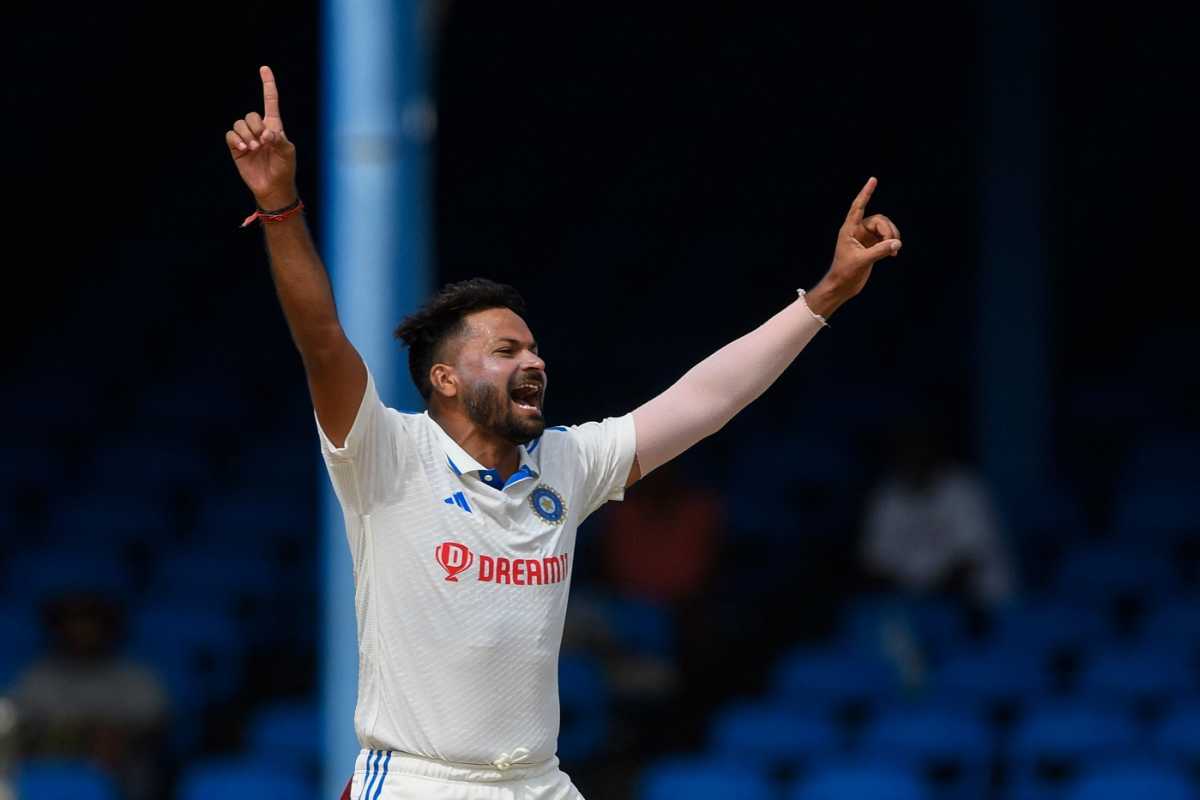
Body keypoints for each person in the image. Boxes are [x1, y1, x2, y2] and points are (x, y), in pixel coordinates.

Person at [226, 65, 902, 800]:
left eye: (536, 349)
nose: (535, 362)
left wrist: (828, 293)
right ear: (445, 380)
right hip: (420, 782)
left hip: (538, 783)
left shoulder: (566, 463)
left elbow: (709, 397)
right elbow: (323, 339)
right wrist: (280, 205)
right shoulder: (388, 454)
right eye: (507, 351)